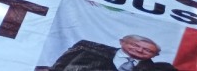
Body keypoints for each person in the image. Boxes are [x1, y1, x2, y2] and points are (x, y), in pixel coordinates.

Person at [47, 34, 175, 71]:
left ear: (155, 55)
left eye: (148, 50)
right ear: (121, 42)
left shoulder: (158, 69)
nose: (140, 50)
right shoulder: (87, 48)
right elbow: (57, 67)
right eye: (134, 45)